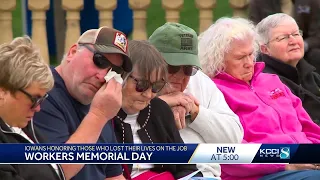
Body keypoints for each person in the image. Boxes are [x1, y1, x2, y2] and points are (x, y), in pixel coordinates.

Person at [199, 17, 320, 180]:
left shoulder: (272, 81)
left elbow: (309, 127)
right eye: (240, 58)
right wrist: (284, 164)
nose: (249, 63)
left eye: (251, 54)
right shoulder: (213, 92)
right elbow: (228, 153)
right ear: (218, 60)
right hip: (263, 173)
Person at [33, 27, 133, 180]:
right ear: (73, 52)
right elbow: (57, 171)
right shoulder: (42, 93)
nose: (103, 76)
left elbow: (113, 175)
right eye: (99, 61)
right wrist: (98, 116)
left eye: (115, 71)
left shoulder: (99, 102)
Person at [148, 22, 243, 178]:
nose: (180, 76)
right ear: (152, 62)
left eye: (187, 68)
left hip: (205, 174)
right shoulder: (134, 83)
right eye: (172, 67)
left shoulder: (199, 81)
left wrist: (195, 111)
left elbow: (233, 139)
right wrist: (161, 106)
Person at [113, 40, 202, 179]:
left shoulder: (159, 110)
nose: (148, 94)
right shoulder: (103, 114)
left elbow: (186, 166)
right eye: (142, 84)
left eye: (156, 86)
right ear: (121, 76)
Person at [0, 36, 65, 180]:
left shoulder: (28, 130)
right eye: (34, 99)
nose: (38, 108)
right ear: (2, 91)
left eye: (42, 99)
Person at [256, 13, 320, 124]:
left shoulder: (310, 74)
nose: (293, 41)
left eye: (296, 34)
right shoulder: (267, 83)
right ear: (265, 49)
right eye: (283, 38)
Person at [292, 0, 320, 73]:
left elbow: (316, 34)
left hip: (306, 45)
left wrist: (302, 45)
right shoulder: (264, 3)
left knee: (315, 55)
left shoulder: (311, 3)